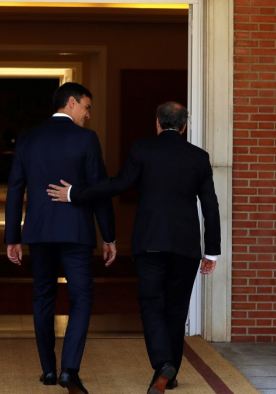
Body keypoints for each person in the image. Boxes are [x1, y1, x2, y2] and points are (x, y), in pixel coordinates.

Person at [46, 101, 220, 394]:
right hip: (186, 247)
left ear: (156, 123)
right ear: (184, 126)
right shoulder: (199, 157)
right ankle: (170, 373)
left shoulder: (142, 149)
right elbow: (210, 207)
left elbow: (118, 184)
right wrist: (211, 250)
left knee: (152, 306)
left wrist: (75, 193)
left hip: (150, 243)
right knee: (176, 311)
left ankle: (163, 363)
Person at [5, 82, 116, 394]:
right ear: (71, 102)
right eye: (86, 107)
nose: (88, 115)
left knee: (43, 297)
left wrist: (12, 236)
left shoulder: (28, 138)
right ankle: (69, 369)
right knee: (81, 298)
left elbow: (15, 189)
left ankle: (48, 371)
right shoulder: (86, 139)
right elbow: (99, 190)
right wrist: (109, 235)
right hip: (76, 232)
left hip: (38, 232)